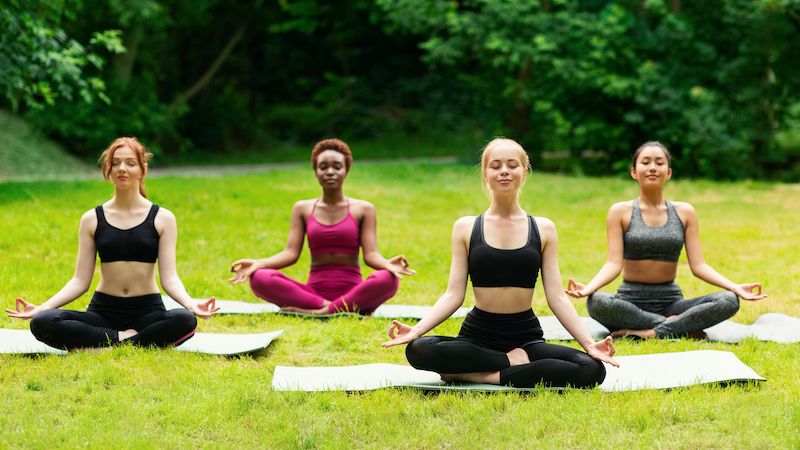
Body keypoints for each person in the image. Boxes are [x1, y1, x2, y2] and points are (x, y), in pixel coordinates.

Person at [382, 138, 617, 389]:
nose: (504, 170)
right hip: (478, 336)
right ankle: (507, 362)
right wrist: (417, 331)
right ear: (485, 174)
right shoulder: (466, 227)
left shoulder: (544, 228)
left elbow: (557, 297)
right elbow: (453, 294)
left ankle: (479, 375)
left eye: (512, 165)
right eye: (495, 165)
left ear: (524, 172)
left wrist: (589, 344)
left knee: (591, 369)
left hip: (526, 338)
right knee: (419, 349)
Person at [6, 137, 219, 350]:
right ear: (107, 169)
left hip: (148, 310)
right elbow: (80, 281)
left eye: (130, 163)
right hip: (103, 311)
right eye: (115, 163)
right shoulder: (92, 219)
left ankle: (107, 343)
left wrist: (191, 304)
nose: (122, 169)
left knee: (185, 320)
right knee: (43, 322)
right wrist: (42, 308)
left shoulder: (163, 218)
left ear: (143, 169)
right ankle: (128, 340)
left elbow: (169, 278)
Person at [566, 141, 767, 339]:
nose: (652, 167)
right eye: (645, 162)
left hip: (671, 301)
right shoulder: (620, 211)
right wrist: (590, 287)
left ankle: (653, 332)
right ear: (634, 172)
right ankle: (680, 326)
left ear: (668, 173)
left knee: (729, 300)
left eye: (659, 162)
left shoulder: (685, 212)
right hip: (629, 302)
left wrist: (735, 287)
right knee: (597, 302)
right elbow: (613, 263)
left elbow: (699, 265)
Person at [229, 138, 415, 315]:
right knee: (260, 278)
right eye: (323, 167)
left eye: (337, 167)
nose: (330, 172)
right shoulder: (302, 208)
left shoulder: (364, 209)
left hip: (354, 290)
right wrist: (257, 264)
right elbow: (290, 254)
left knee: (388, 279)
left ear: (346, 171)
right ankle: (339, 308)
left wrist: (388, 264)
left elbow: (371, 255)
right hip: (313, 294)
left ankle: (321, 312)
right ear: (315, 171)